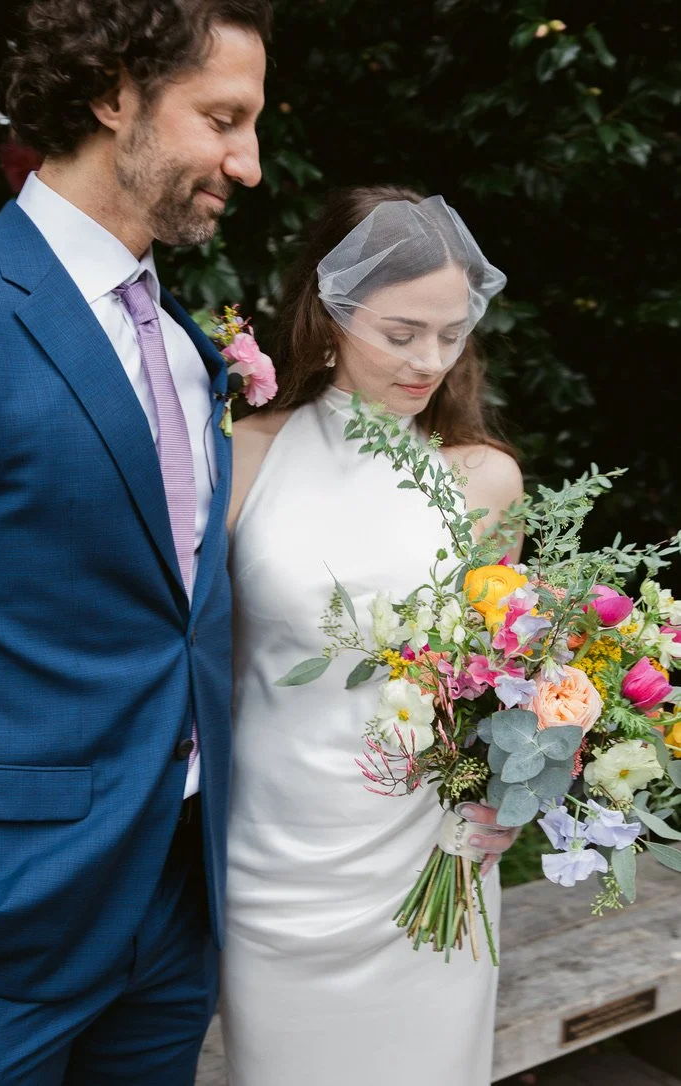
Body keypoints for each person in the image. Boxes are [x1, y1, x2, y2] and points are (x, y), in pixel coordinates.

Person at [0, 1, 269, 1083]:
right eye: (224, 118)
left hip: (173, 914)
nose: (251, 162)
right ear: (114, 94)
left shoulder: (187, 347)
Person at [222, 185, 523, 1086]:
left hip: (429, 870)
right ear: (331, 311)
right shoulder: (245, 456)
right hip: (272, 870)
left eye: (451, 330)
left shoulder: (483, 480)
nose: (431, 358)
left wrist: (512, 786)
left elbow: (506, 676)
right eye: (401, 333)